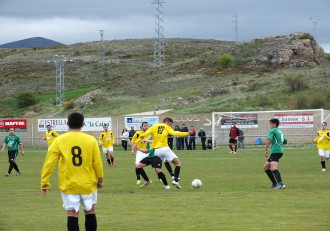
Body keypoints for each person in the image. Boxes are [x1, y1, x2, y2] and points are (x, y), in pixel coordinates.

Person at [41, 112, 104, 231]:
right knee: (90, 212)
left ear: (67, 124)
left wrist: (45, 182)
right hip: (88, 184)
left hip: (69, 185)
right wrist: (100, 179)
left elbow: (49, 163)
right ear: (83, 124)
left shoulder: (59, 140)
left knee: (72, 214)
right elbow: (97, 162)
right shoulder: (91, 140)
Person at [134, 117, 189, 189]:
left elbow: (143, 135)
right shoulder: (166, 126)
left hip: (156, 151)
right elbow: (174, 133)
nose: (170, 126)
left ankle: (168, 179)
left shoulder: (153, 127)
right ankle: (175, 179)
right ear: (167, 122)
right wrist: (187, 133)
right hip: (164, 148)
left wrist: (136, 143)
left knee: (161, 165)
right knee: (177, 164)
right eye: (170, 124)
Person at [263, 118, 287, 189]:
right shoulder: (279, 131)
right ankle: (274, 183)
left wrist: (265, 149)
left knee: (273, 168)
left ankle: (281, 184)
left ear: (275, 124)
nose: (269, 125)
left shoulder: (272, 130)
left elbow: (269, 140)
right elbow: (285, 141)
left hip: (276, 151)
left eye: (270, 123)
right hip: (278, 151)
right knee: (266, 167)